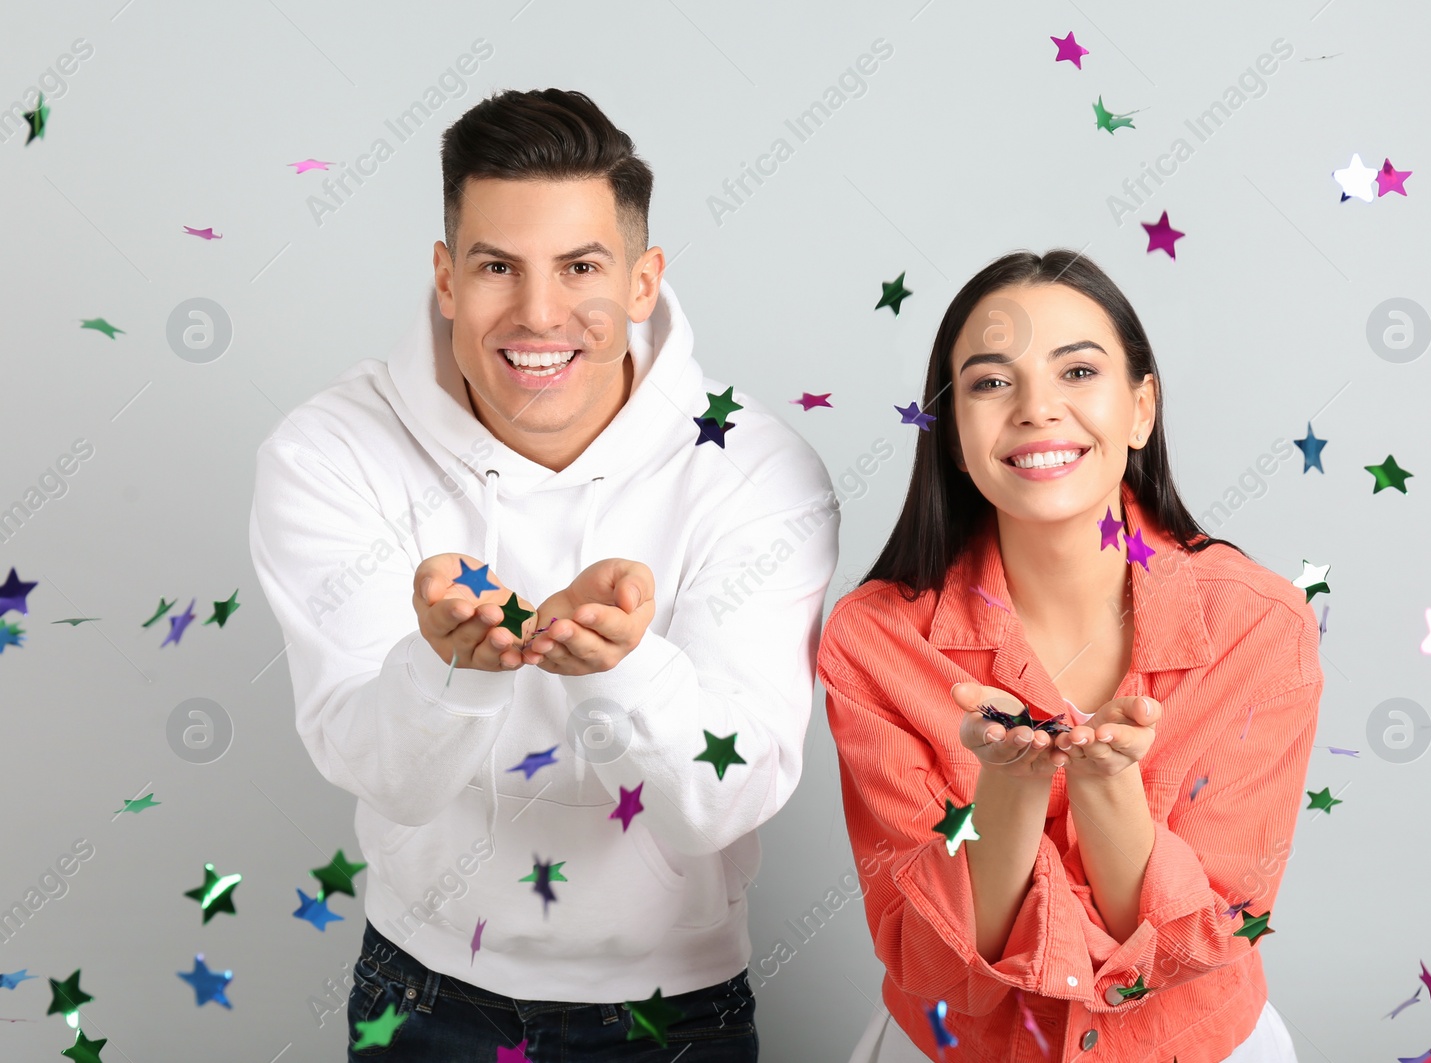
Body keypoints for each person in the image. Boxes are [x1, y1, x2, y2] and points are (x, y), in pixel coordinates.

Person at [248, 87, 839, 1060]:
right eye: (495, 266)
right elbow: (377, 771)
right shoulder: (328, 453)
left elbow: (717, 803)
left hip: (673, 1009)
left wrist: (621, 666)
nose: (537, 313)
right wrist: (451, 668)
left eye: (580, 267)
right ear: (445, 277)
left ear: (643, 282)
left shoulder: (760, 472)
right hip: (425, 994)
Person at [817, 249, 1320, 1062]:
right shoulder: (875, 638)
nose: (1036, 409)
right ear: (951, 436)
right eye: (989, 382)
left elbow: (1200, 941)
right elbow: (934, 958)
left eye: (1079, 372)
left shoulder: (1258, 623)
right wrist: (1011, 785)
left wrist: (1107, 786)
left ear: (1140, 408)